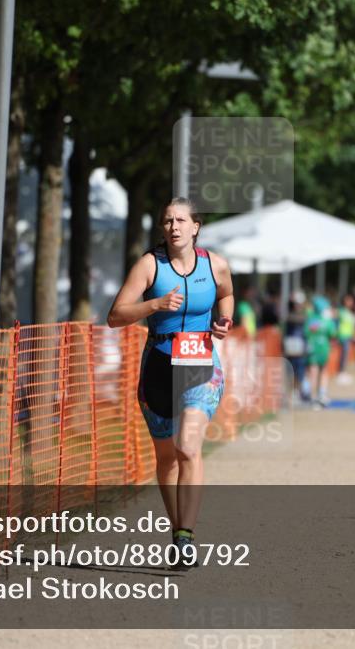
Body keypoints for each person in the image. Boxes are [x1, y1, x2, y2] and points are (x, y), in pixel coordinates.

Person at [106, 197, 233, 569]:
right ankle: (176, 527)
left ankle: (185, 537)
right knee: (166, 458)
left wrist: (224, 321)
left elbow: (226, 296)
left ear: (196, 226)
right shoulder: (149, 265)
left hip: (200, 364)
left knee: (188, 448)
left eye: (180, 220)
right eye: (166, 221)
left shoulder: (216, 265)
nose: (173, 226)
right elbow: (115, 316)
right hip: (158, 364)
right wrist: (154, 305)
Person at [305, 295, 337, 409]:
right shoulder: (327, 321)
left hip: (312, 350)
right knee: (323, 371)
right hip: (324, 349)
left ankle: (313, 397)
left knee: (313, 372)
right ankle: (322, 394)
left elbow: (306, 333)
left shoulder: (310, 320)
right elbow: (333, 334)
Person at [335, 294, 355, 385]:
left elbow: (351, 325)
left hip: (348, 337)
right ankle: (341, 373)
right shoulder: (340, 312)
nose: (350, 303)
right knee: (343, 354)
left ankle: (343, 372)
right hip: (342, 336)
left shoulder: (350, 313)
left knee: (346, 355)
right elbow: (335, 323)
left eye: (351, 301)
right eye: (348, 301)